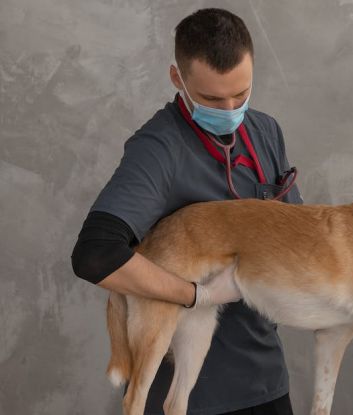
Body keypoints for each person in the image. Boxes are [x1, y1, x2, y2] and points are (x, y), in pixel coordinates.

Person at [71, 8, 300, 415]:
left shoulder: (265, 131)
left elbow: (297, 234)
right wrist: (198, 295)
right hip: (194, 395)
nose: (230, 108)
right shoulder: (158, 149)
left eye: (241, 93)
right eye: (212, 98)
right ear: (178, 79)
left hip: (265, 380)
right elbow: (95, 254)